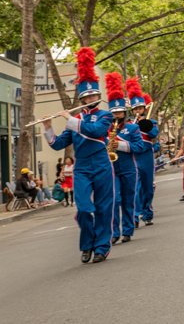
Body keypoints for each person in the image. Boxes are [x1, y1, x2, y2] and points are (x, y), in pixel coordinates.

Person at [42, 47, 115, 263]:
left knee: (103, 207)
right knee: (84, 209)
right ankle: (87, 245)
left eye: (94, 94)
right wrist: (47, 128)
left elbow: (96, 132)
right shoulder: (75, 121)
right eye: (87, 96)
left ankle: (101, 247)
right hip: (82, 167)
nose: (91, 97)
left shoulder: (105, 115)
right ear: (82, 100)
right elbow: (57, 145)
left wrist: (71, 120)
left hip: (102, 163)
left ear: (98, 96)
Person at [105, 72, 147, 244]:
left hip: (128, 167)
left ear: (124, 112)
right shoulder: (104, 128)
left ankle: (128, 230)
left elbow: (139, 146)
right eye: (114, 112)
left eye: (119, 112)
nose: (117, 115)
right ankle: (114, 232)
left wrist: (120, 145)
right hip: (111, 168)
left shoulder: (132, 128)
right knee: (115, 200)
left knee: (128, 200)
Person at [127, 79, 158, 227]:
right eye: (135, 109)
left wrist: (144, 123)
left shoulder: (150, 121)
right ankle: (135, 215)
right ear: (132, 111)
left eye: (140, 108)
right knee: (136, 186)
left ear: (144, 109)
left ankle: (147, 213)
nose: (138, 111)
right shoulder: (128, 124)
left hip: (146, 155)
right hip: (134, 156)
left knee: (147, 186)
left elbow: (154, 134)